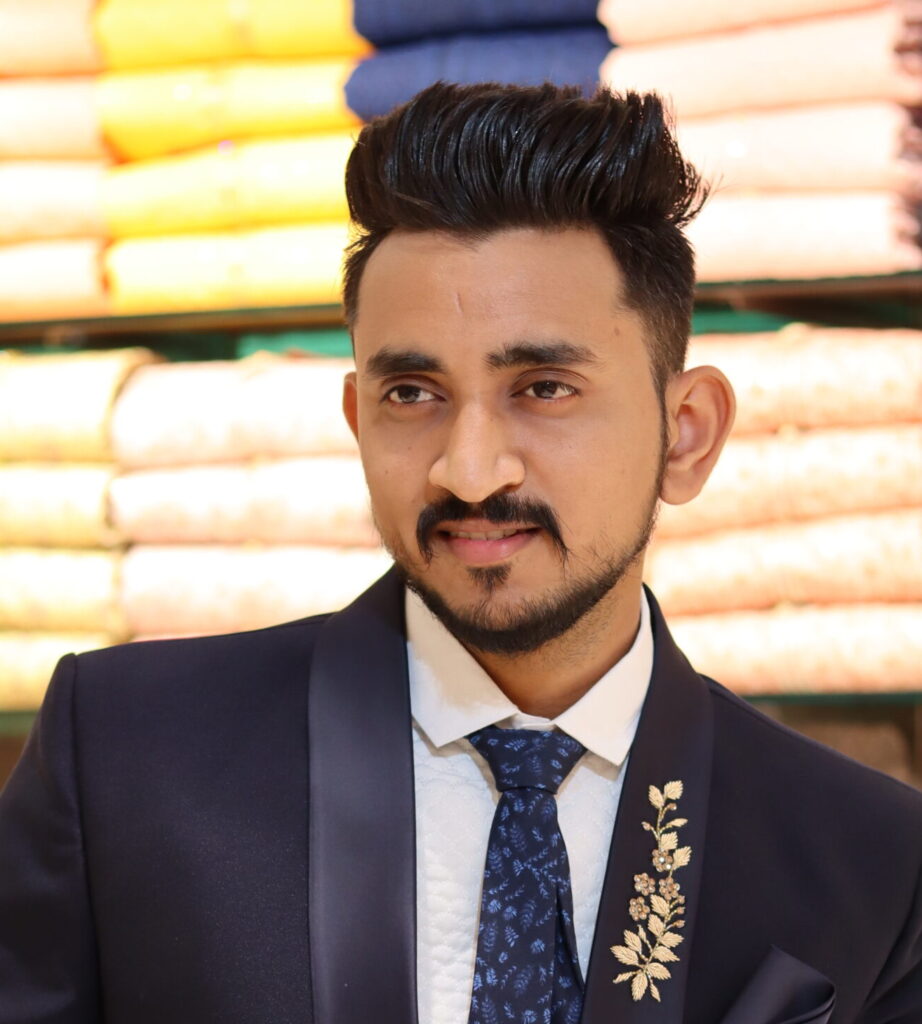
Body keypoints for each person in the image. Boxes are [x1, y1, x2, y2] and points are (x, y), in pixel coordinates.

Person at [1, 82, 920, 1024]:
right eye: (412, 394)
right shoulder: (125, 759)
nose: (470, 470)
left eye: (545, 387)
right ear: (358, 419)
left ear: (685, 435)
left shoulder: (869, 858)